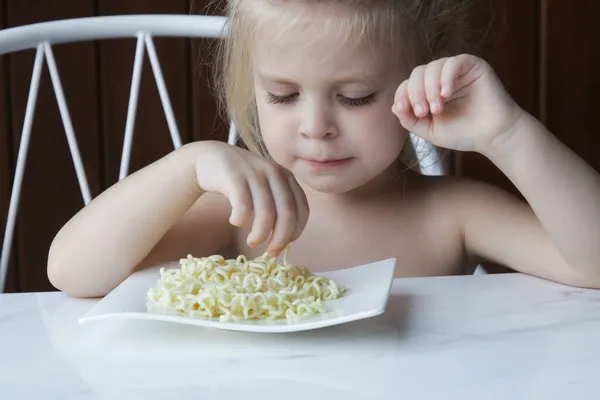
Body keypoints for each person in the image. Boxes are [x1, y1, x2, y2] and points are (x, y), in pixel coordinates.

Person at [47, 0, 600, 298]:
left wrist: (506, 134)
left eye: (356, 98)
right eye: (283, 96)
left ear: (419, 79)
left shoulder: (451, 212)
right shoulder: (243, 215)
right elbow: (72, 272)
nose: (316, 127)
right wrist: (186, 164)